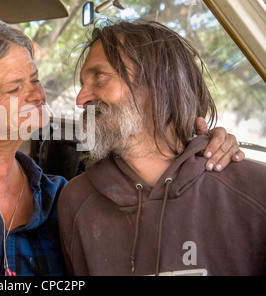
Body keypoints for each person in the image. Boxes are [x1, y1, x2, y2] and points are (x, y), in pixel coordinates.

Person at [0, 21, 243, 276]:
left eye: (35, 78)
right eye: (15, 88)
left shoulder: (63, 198)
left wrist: (194, 149)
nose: (37, 94)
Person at [58, 19, 266, 276]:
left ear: (159, 82)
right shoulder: (76, 201)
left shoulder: (255, 190)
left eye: (99, 77)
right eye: (82, 84)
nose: (81, 99)